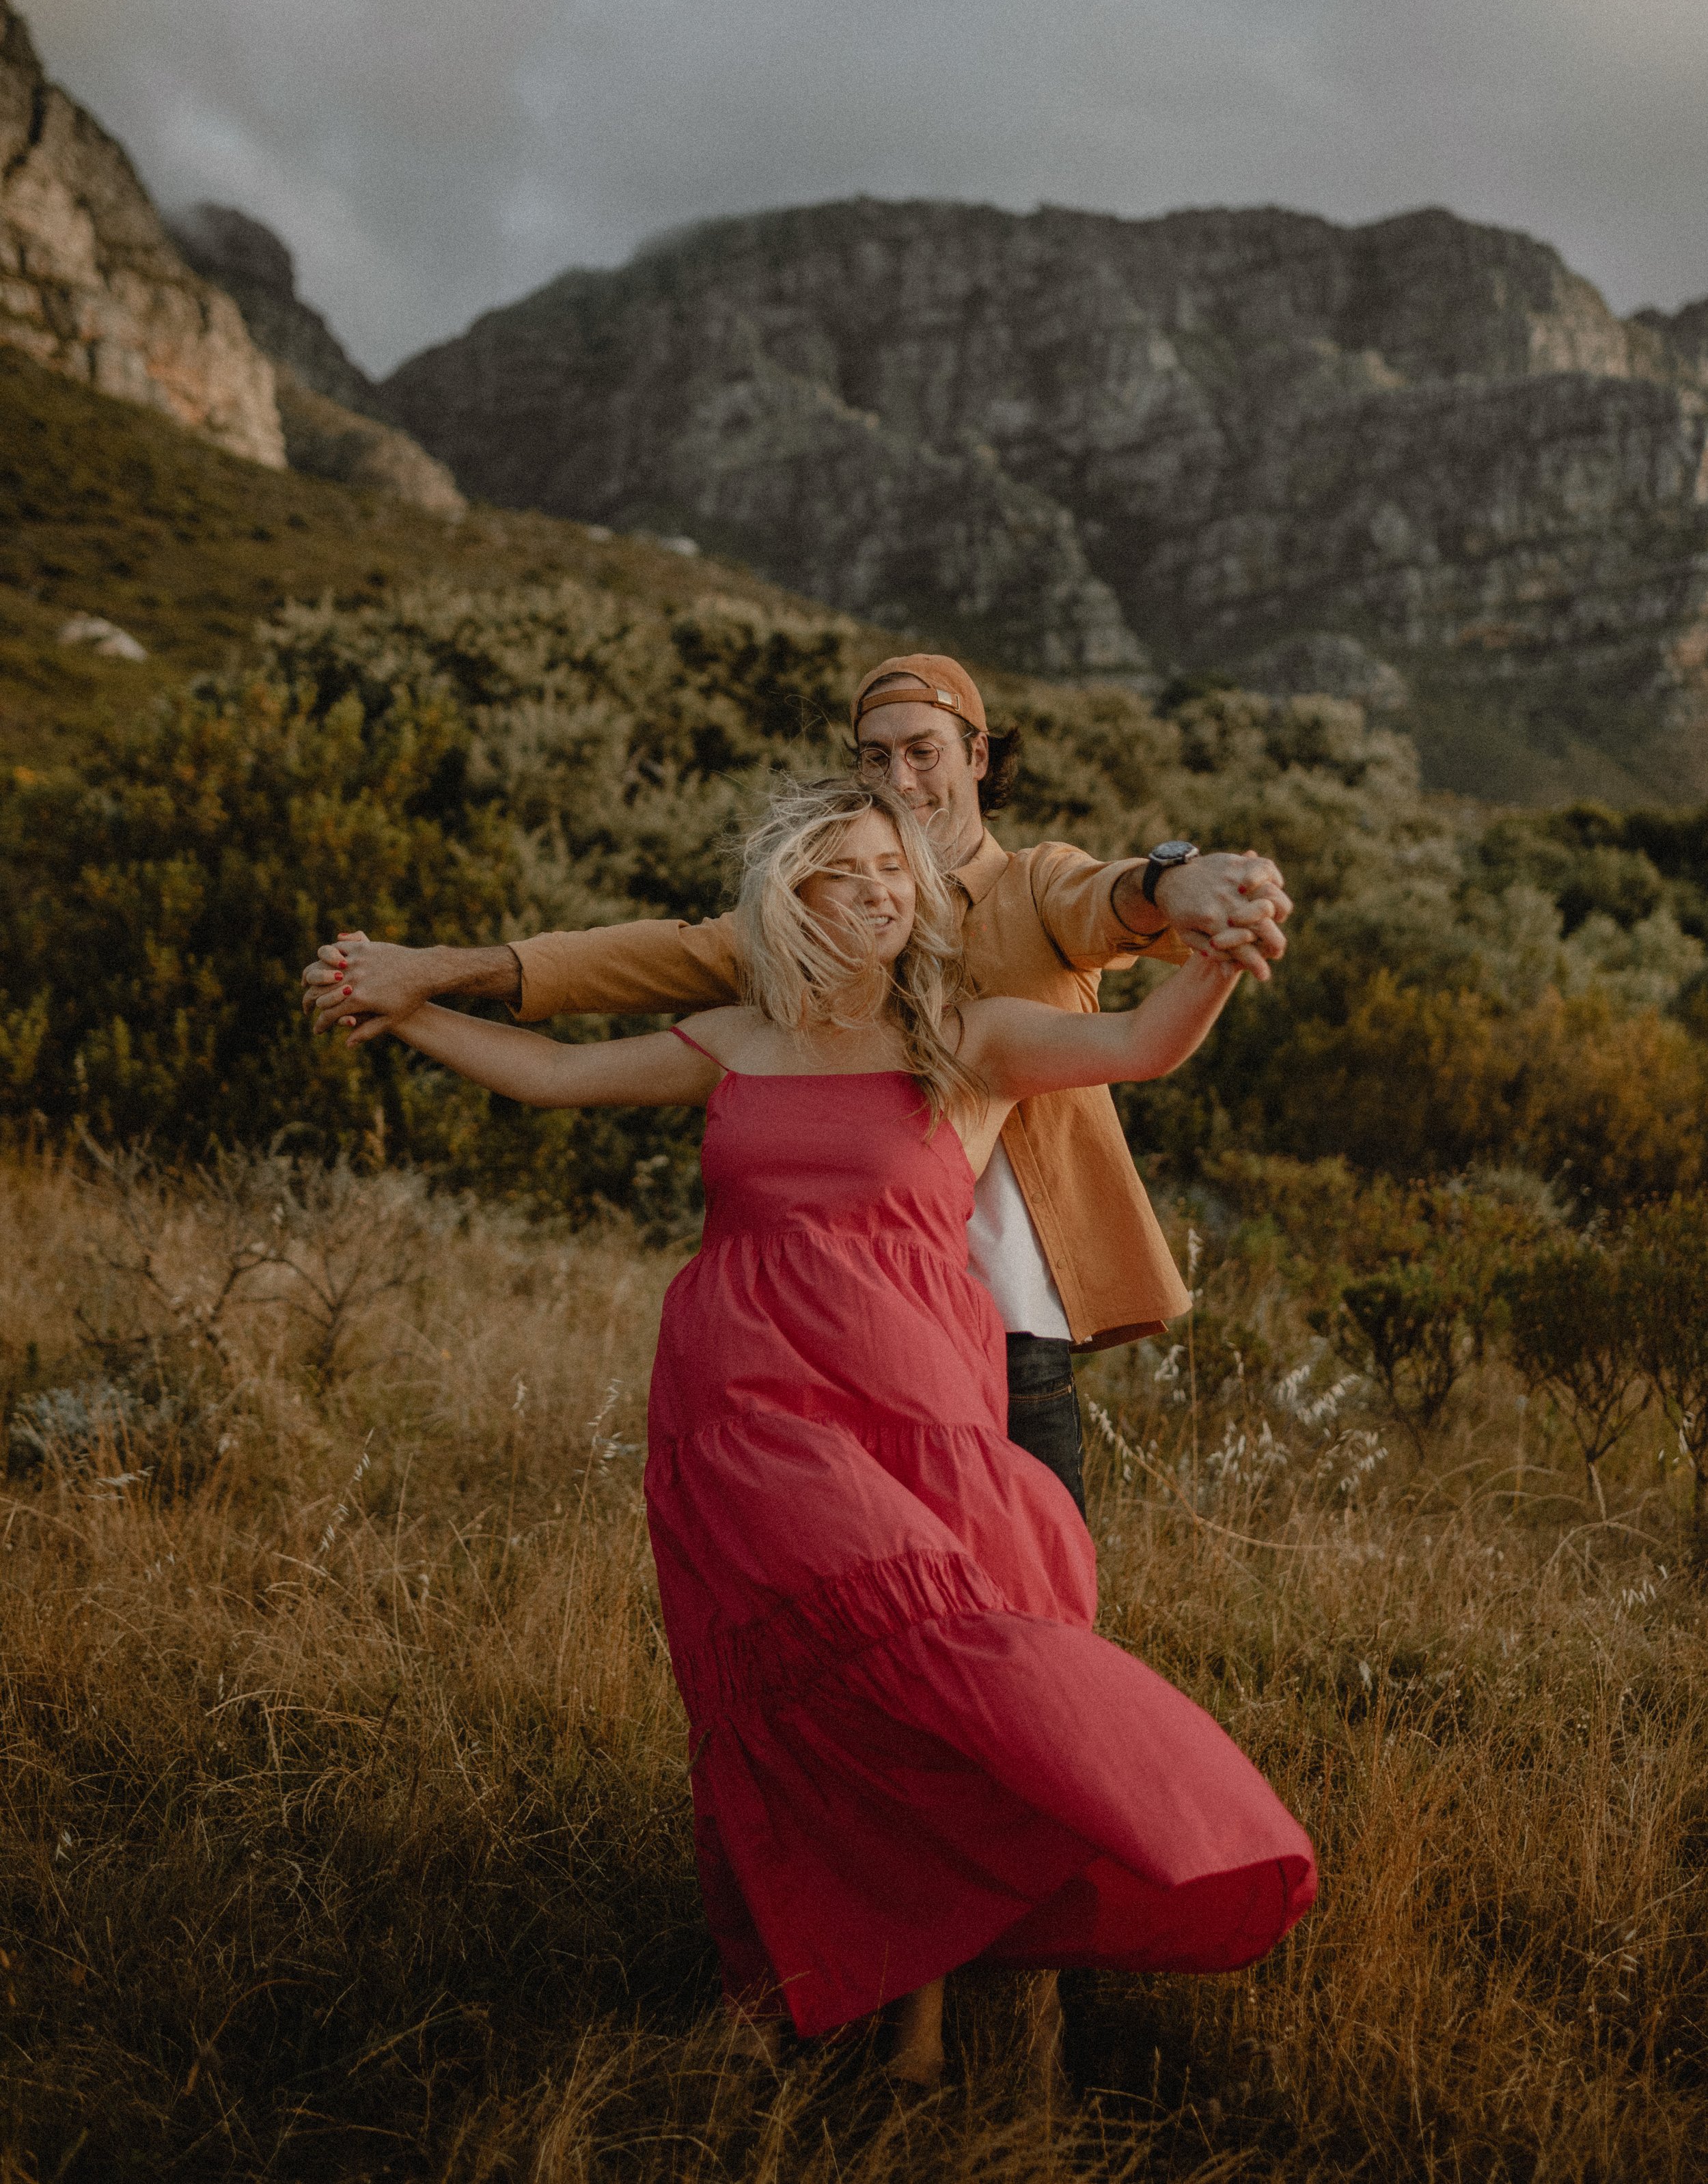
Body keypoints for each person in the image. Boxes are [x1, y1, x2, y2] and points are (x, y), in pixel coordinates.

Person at [339, 775, 1316, 2082]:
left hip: (917, 1406)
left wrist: (1218, 954)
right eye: (842, 874)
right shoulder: (738, 1037)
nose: (876, 891)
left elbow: (1141, 1044)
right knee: (810, 1678)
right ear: (791, 901)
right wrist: (404, 1008)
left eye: (894, 873)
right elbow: (555, 1075)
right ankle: (872, 1993)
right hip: (741, 1405)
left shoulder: (967, 1039)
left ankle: (978, 1961)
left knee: (930, 1669)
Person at [304, 654, 1291, 1519]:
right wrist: (425, 975)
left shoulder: (1034, 887)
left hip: (1008, 1319)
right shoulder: (816, 927)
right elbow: (626, 972)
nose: (899, 776)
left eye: (924, 750)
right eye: (875, 756)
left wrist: (1184, 889)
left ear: (979, 756)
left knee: (1031, 1586)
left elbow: (1112, 902)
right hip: (841, 1326)